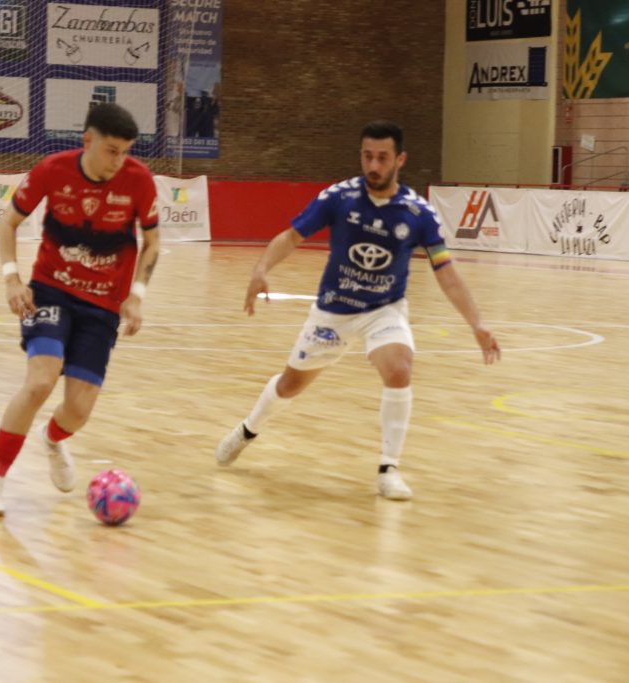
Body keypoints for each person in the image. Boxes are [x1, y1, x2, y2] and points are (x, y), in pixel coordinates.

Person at [214, 120, 501, 501]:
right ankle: (246, 430)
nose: (373, 166)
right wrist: (261, 269)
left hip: (383, 310)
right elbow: (292, 236)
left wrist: (477, 324)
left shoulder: (418, 213)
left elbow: (446, 273)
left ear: (400, 160)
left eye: (382, 158)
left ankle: (388, 469)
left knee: (399, 368)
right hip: (333, 311)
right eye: (367, 157)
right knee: (289, 385)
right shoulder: (339, 197)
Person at [0, 103, 160, 516]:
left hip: (104, 305)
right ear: (87, 140)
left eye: (125, 152)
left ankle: (53, 439)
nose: (119, 160)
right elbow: (8, 222)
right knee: (40, 381)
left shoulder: (139, 180)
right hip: (51, 291)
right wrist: (11, 279)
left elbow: (153, 242)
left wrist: (137, 295)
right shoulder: (52, 169)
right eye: (111, 150)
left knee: (77, 412)